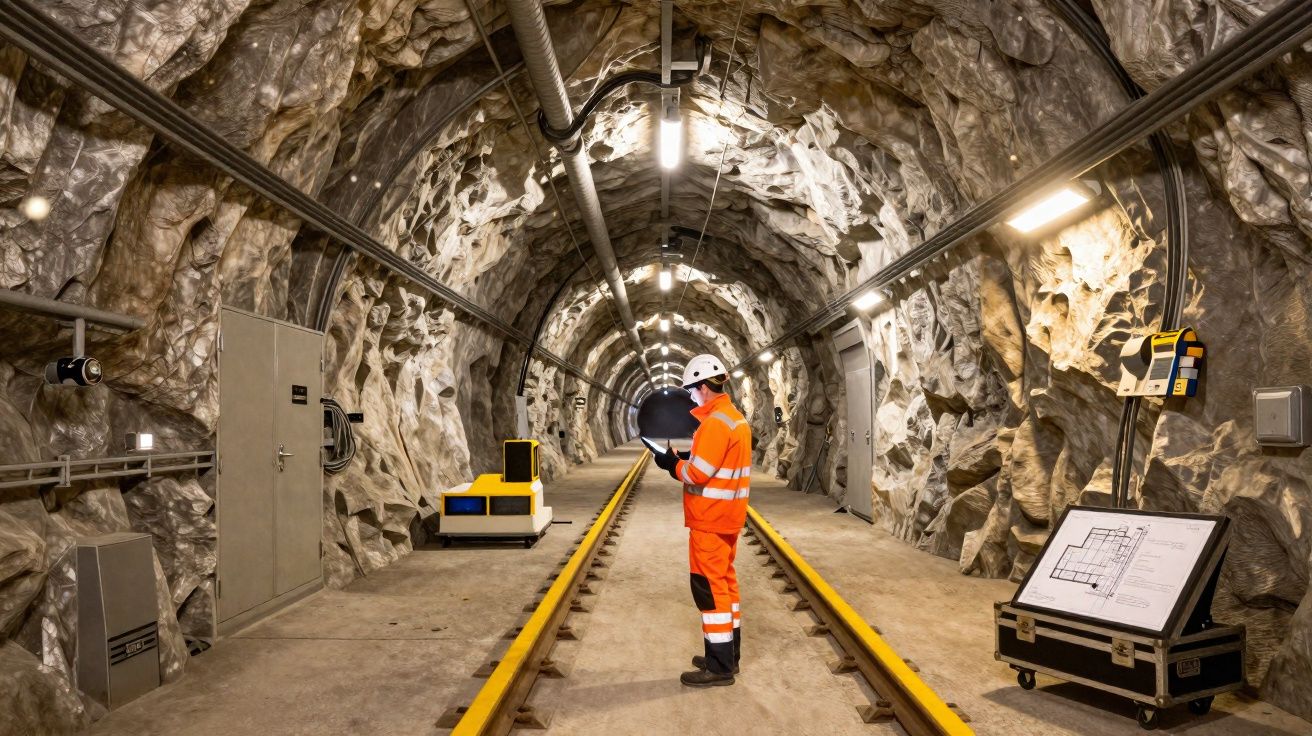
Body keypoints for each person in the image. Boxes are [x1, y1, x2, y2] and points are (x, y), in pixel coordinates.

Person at [652, 353, 752, 687]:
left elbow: (698, 473)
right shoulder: (735, 419)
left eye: (693, 389)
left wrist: (671, 465)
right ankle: (728, 655)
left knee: (710, 592)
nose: (692, 396)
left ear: (703, 387)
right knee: (726, 584)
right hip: (729, 518)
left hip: (709, 521)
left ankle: (719, 667)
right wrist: (684, 459)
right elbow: (717, 466)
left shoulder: (713, 423)